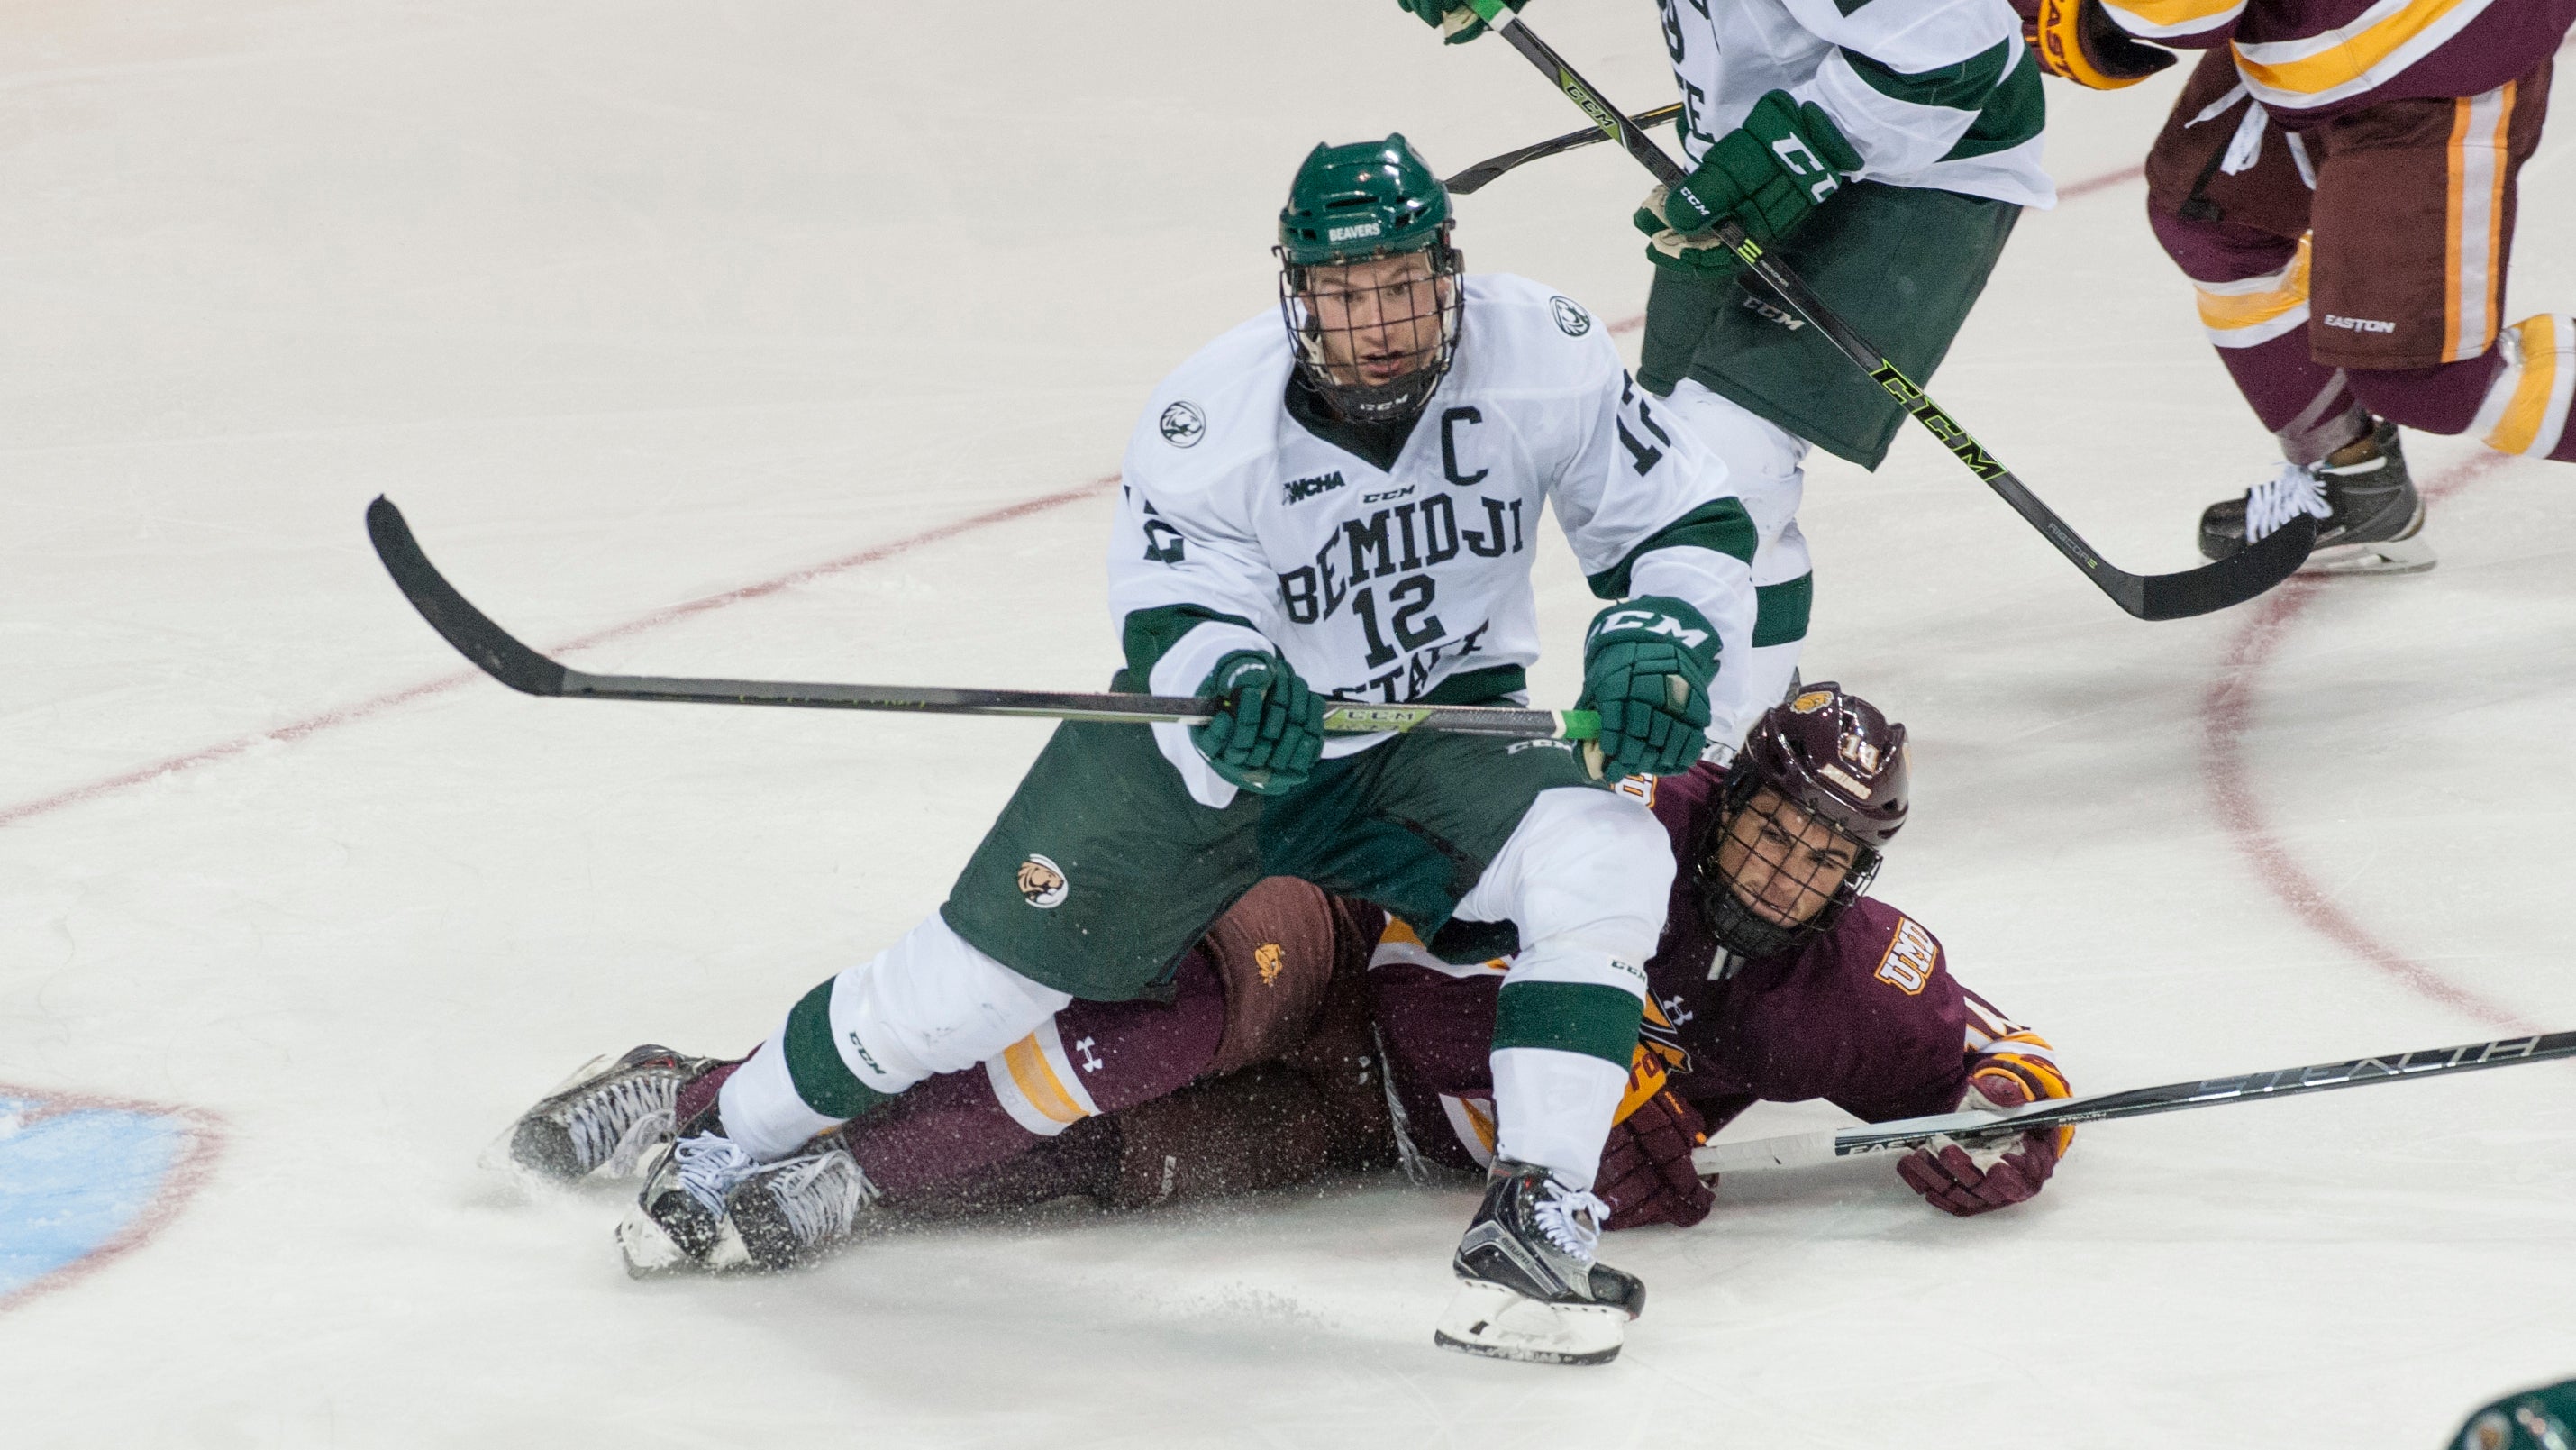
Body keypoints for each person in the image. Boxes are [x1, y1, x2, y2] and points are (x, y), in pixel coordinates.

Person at [536, 134, 1763, 1363]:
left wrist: (1660, 639)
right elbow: (1174, 611)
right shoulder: (1208, 418)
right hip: (1206, 763)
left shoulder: (1539, 353)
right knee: (965, 992)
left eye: (1402, 282)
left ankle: (1535, 1215)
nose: (1380, 320)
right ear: (1298, 292)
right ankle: (729, 1131)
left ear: (1447, 272)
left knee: (1606, 857)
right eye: (1347, 292)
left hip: (1417, 740)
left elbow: (1686, 513)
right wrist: (1230, 677)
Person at [511, 686, 2071, 1327]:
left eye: (1822, 852)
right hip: (1342, 934)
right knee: (1171, 1008)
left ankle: (850, 1168)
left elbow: (2003, 1061)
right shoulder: (1617, 817)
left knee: (1108, 1159)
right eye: (1769, 824)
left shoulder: (1847, 982)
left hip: (1373, 1120)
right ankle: (703, 1091)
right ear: (1722, 798)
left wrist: (2006, 1131)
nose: (1786, 866)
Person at [1400, 0, 2053, 749]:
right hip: (1755, 141)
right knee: (1671, 468)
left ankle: (1707, 754)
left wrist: (1788, 156)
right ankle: (1756, 715)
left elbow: (1951, 44)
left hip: (1923, 158)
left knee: (1724, 465)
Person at [2022, 0, 2576, 572]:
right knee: (2214, 225)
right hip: (2326, 38)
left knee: (2425, 381)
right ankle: (2353, 485)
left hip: (2424, 58)